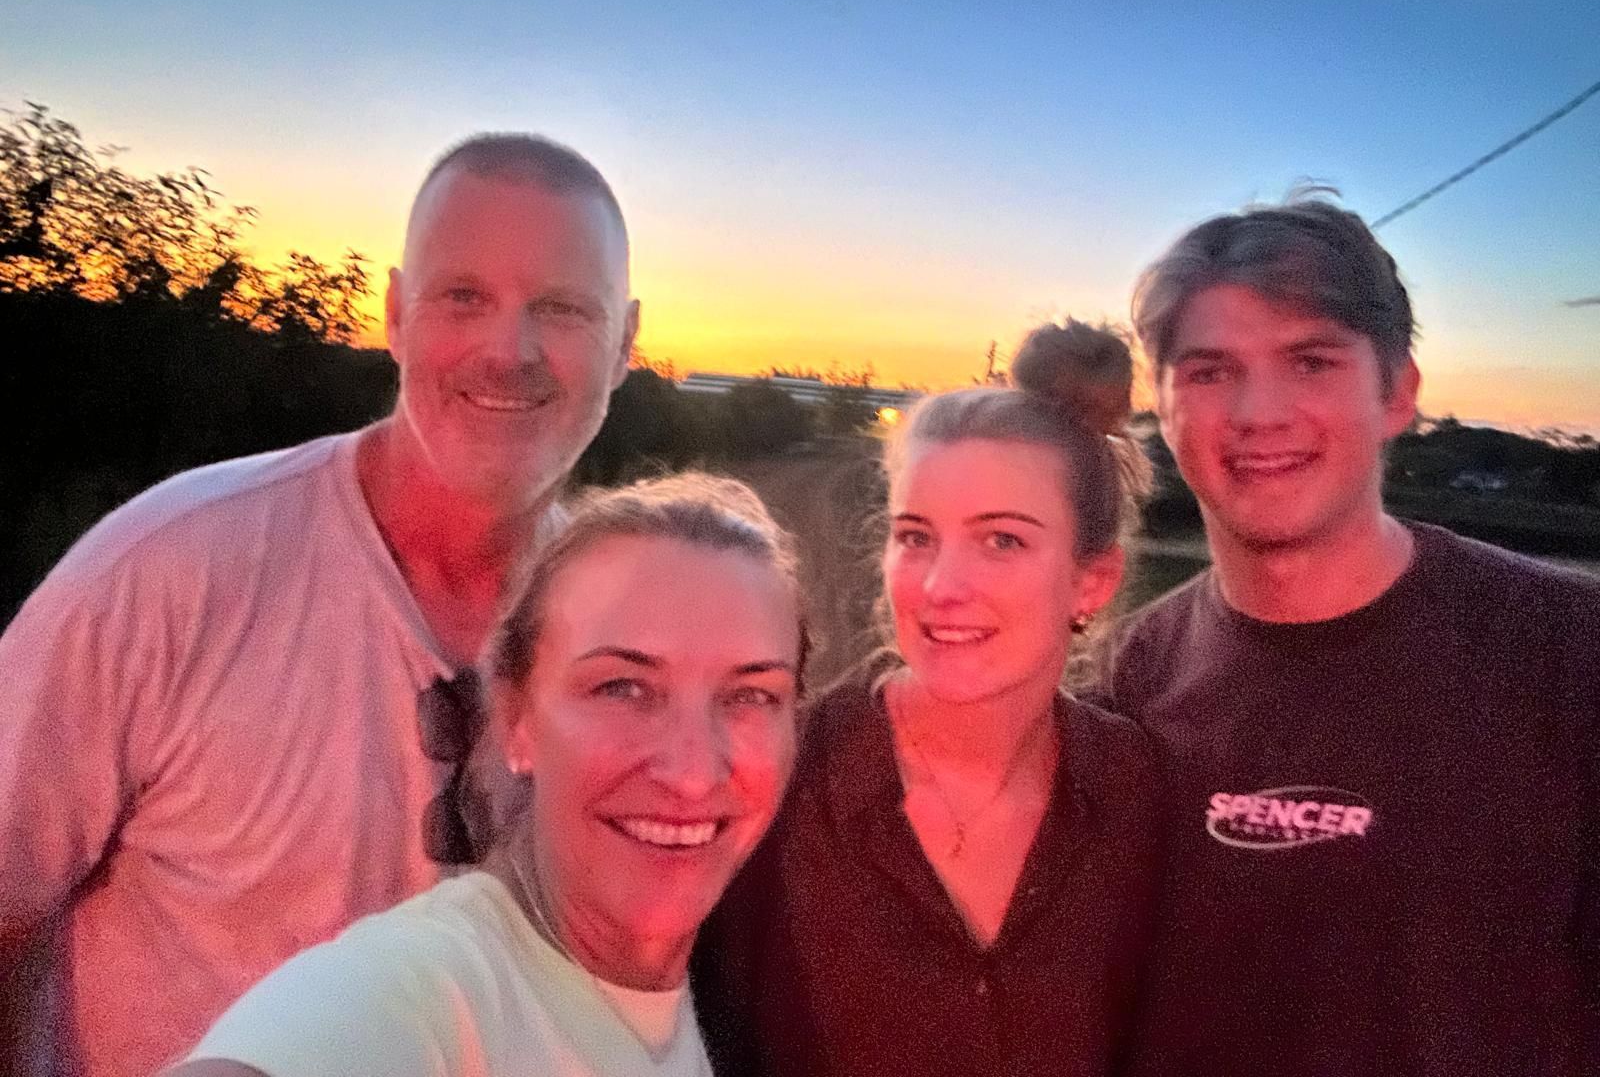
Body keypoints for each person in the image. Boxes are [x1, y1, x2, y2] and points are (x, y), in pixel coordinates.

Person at [0, 133, 640, 1077]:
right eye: (464, 296)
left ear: (625, 344)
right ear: (394, 317)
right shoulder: (171, 570)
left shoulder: (625, 639)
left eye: (563, 308)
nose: (511, 350)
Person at [1111, 194, 1600, 1076]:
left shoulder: (1570, 658)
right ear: (1166, 409)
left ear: (1398, 392)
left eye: (1309, 362)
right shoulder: (1126, 680)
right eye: (1210, 371)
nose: (1259, 413)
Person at [163, 474, 808, 1076]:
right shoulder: (419, 994)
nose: (693, 773)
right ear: (515, 717)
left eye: (751, 695)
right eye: (623, 688)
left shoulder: (734, 995)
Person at [693, 320, 1163, 1077]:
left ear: (1091, 582)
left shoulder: (1136, 794)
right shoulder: (775, 780)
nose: (942, 587)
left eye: (1002, 541)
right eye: (916, 537)